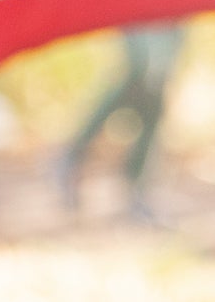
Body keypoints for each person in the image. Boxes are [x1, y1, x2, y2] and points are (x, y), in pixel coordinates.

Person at [56, 20, 187, 216]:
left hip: (170, 11)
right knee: (139, 79)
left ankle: (135, 186)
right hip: (138, 7)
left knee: (153, 94)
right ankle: (74, 155)